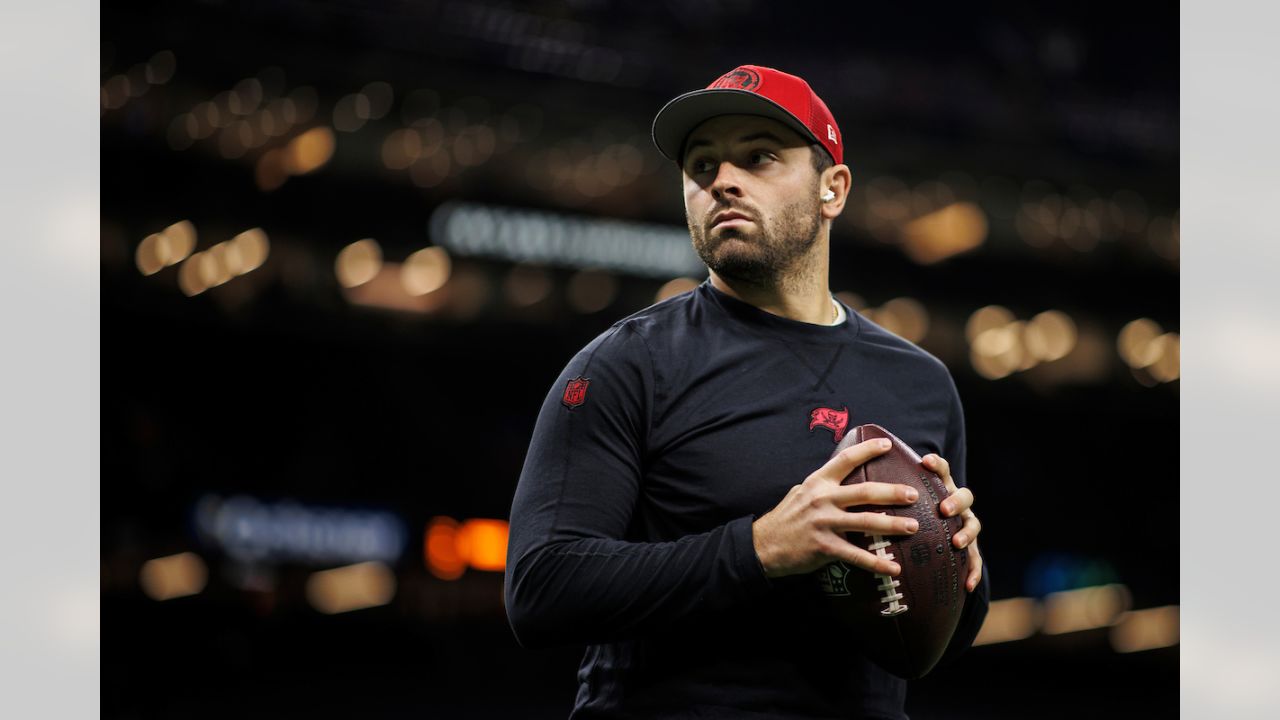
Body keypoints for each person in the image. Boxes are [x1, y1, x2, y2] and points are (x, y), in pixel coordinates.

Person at [504, 64, 988, 719]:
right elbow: (541, 587)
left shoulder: (921, 382)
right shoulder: (627, 363)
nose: (722, 181)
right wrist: (759, 549)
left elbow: (926, 646)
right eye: (701, 166)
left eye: (759, 157)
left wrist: (964, 574)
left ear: (833, 189)